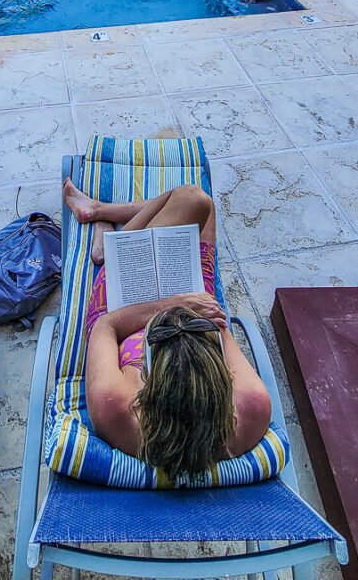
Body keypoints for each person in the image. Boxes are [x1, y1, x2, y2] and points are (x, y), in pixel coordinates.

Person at [63, 178, 272, 483]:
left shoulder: (117, 410)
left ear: (149, 386)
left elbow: (105, 327)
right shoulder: (251, 408)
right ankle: (102, 215)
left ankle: (104, 236)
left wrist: (171, 305)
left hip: (124, 316)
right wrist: (197, 310)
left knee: (190, 198)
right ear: (222, 381)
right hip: (193, 307)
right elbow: (218, 322)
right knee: (203, 206)